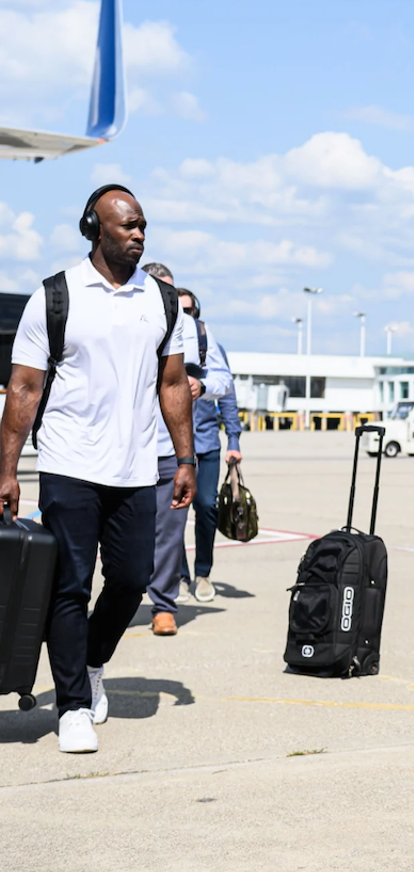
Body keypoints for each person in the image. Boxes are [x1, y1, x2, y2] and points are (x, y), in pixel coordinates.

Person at [0, 185, 195, 754]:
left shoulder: (159, 300)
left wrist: (184, 459)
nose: (138, 235)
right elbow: (25, 387)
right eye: (128, 226)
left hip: (136, 464)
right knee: (69, 584)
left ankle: (90, 663)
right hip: (68, 461)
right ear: (95, 227)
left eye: (142, 227)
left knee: (132, 579)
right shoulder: (56, 296)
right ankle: (72, 707)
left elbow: (173, 383)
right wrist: (7, 470)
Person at [138, 273, 231, 635]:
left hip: (170, 448)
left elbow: (224, 381)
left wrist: (202, 384)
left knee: (170, 530)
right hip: (123, 447)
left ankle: (163, 603)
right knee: (123, 533)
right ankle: (125, 592)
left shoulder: (193, 330)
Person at [174, 289, 242, 604]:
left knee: (206, 506)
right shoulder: (166, 347)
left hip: (206, 442)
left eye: (190, 310)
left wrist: (234, 440)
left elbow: (227, 393)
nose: (185, 316)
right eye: (179, 310)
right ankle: (180, 575)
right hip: (172, 447)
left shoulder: (209, 346)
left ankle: (203, 573)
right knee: (174, 513)